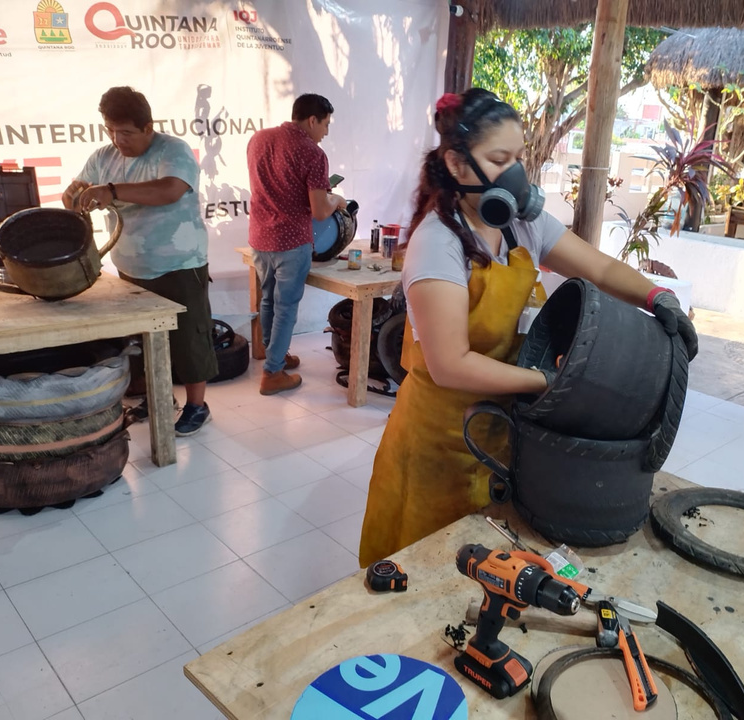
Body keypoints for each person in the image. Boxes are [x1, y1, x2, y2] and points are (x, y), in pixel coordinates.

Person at [358, 89, 698, 566]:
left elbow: (597, 269)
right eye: (500, 159)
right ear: (457, 165)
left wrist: (657, 296)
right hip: (438, 441)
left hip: (504, 430)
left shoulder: (523, 226)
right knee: (426, 570)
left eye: (520, 157)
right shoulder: (437, 243)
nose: (517, 172)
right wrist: (551, 382)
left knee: (490, 569)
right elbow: (450, 364)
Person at [62, 86, 216, 437]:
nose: (118, 140)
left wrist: (112, 191)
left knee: (189, 339)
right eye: (111, 130)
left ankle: (197, 406)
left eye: (127, 133)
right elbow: (74, 192)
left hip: (180, 263)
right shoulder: (103, 157)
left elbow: (169, 190)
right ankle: (158, 395)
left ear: (148, 127)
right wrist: (74, 197)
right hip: (131, 267)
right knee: (143, 340)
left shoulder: (173, 151)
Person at [247, 93, 347, 395]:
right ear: (312, 120)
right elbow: (319, 209)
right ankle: (273, 373)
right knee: (286, 307)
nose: (326, 132)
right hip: (291, 242)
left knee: (268, 299)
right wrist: (337, 200)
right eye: (326, 125)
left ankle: (272, 352)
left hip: (260, 237)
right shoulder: (312, 153)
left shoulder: (258, 139)